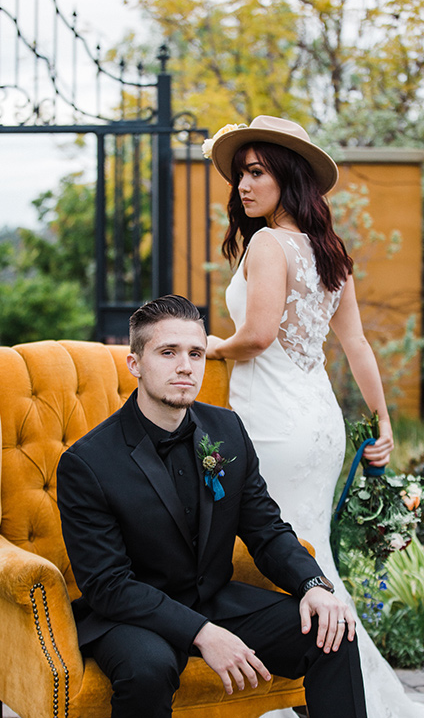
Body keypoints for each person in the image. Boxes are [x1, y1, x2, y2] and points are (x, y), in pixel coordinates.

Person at [203, 115, 424, 718]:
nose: (243, 187)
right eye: (240, 175)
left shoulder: (270, 244)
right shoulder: (330, 251)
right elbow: (357, 347)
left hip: (274, 422)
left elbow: (255, 336)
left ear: (287, 177)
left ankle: (284, 696)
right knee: (308, 556)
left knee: (271, 556)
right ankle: (338, 689)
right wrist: (383, 422)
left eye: (256, 173)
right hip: (318, 422)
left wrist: (204, 348)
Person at [57, 294, 367, 718]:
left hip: (213, 598)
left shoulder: (227, 429)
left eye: (196, 353)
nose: (185, 366)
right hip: (131, 615)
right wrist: (203, 633)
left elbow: (266, 529)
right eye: (168, 352)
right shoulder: (86, 463)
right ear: (136, 364)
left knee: (334, 632)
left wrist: (314, 586)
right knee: (148, 669)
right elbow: (108, 585)